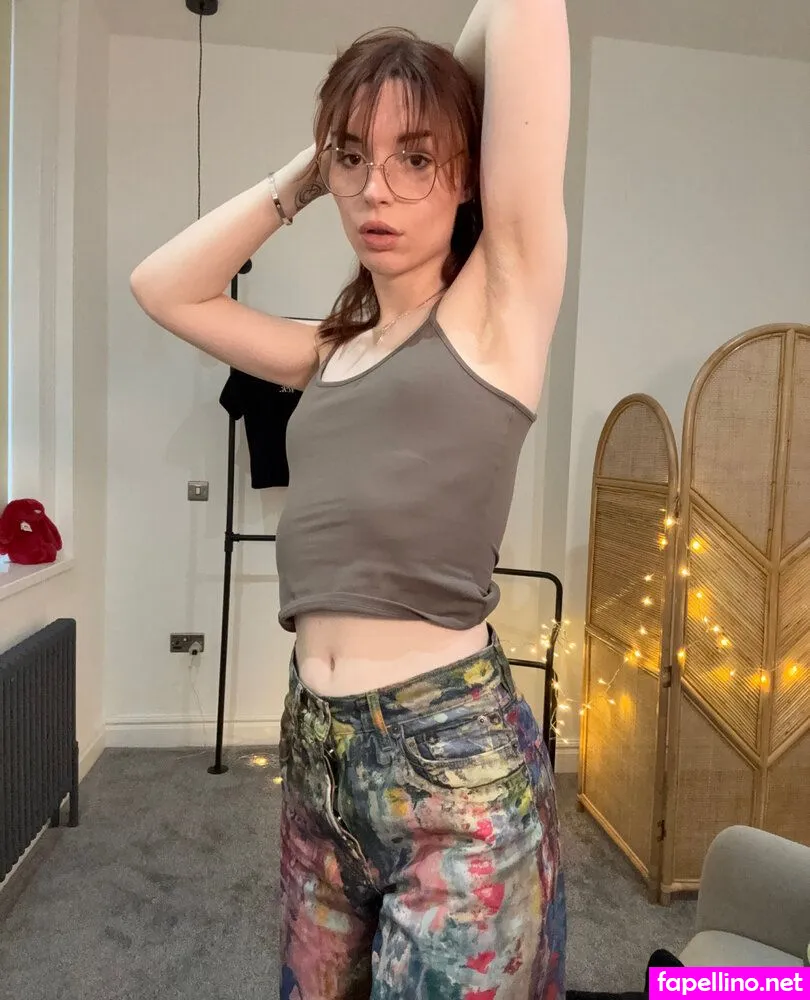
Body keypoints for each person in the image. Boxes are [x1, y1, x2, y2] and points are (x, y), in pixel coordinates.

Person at [130, 0, 570, 995]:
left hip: (452, 762)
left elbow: (524, 10)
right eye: (355, 161)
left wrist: (424, 95)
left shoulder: (498, 308)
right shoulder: (330, 350)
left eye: (417, 159)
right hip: (314, 750)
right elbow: (162, 287)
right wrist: (309, 169)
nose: (378, 189)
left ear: (467, 172)